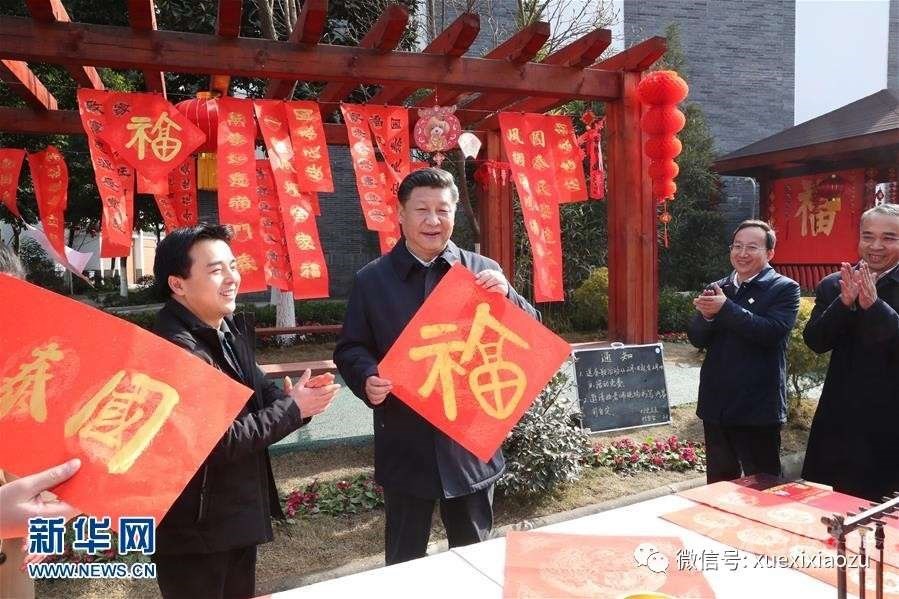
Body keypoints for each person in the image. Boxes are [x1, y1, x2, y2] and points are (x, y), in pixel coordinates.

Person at [334, 168, 540, 566]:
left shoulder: (482, 271)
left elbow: (531, 333)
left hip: (469, 446)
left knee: (474, 559)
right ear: (400, 214)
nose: (433, 220)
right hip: (405, 440)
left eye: (442, 210)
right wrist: (366, 376)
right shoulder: (372, 280)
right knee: (404, 561)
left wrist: (509, 297)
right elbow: (351, 347)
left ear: (455, 213)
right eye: (421, 210)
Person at [149, 225, 339, 598]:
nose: (232, 278)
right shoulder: (175, 349)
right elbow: (219, 439)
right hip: (193, 530)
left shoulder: (226, 331)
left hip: (232, 517)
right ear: (177, 284)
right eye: (216, 270)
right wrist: (293, 408)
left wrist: (296, 401)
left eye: (233, 266)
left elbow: (262, 393)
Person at [687, 220, 800, 484]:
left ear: (770, 253)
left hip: (757, 407)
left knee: (762, 485)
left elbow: (771, 332)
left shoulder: (784, 288)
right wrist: (707, 317)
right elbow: (697, 338)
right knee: (719, 484)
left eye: (752, 247)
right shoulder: (719, 287)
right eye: (737, 246)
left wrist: (725, 309)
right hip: (717, 404)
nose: (742, 253)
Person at [802, 203, 899, 501]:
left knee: (883, 509)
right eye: (868, 236)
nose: (876, 246)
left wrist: (875, 307)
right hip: (841, 412)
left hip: (891, 416)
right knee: (837, 502)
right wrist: (843, 304)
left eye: (889, 238)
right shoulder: (835, 284)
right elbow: (816, 341)